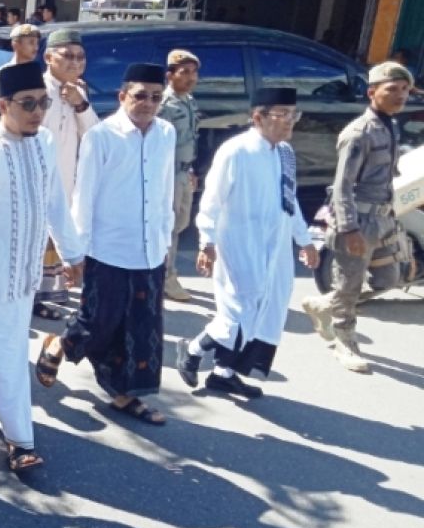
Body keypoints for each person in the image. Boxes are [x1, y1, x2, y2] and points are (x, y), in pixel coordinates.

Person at [0, 62, 84, 471]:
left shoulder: (43, 142)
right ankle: (19, 439)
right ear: (4, 104)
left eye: (43, 103)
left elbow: (55, 201)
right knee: (7, 351)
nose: (37, 112)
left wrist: (72, 253)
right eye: (28, 104)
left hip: (26, 270)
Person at [35, 63, 175, 425]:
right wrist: (75, 253)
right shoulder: (103, 135)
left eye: (156, 97)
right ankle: (61, 345)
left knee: (143, 328)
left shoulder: (166, 133)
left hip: (149, 248)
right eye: (140, 95)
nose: (148, 103)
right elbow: (85, 195)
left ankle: (128, 395)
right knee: (99, 320)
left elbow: (165, 191)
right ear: (122, 96)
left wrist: (166, 238)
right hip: (107, 248)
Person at [177, 87, 319, 398]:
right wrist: (207, 242)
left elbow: (289, 200)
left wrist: (305, 241)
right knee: (238, 311)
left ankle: (223, 373)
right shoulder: (236, 151)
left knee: (264, 310)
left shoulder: (285, 153)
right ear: (258, 117)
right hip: (239, 244)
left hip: (276, 247)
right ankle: (193, 349)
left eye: (293, 115)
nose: (289, 122)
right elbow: (212, 201)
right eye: (282, 115)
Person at [302, 61, 411, 373]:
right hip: (358, 223)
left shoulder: (389, 125)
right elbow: (342, 186)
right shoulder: (358, 133)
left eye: (404, 90)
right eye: (393, 89)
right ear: (372, 92)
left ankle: (324, 304)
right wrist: (349, 229)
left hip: (383, 219)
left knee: (390, 278)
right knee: (350, 284)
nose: (400, 96)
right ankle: (344, 341)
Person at [33, 28, 98, 318]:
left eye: (80, 57)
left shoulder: (79, 91)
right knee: (34, 239)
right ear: (48, 57)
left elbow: (95, 136)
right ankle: (30, 297)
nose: (75, 62)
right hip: (36, 179)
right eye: (68, 56)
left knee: (56, 237)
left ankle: (49, 297)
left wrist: (80, 103)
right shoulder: (36, 89)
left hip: (66, 178)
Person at [159, 50, 203, 302]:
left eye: (193, 72)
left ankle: (167, 272)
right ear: (170, 75)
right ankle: (167, 277)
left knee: (180, 224)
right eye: (184, 72)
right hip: (169, 173)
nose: (190, 78)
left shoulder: (188, 100)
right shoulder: (166, 105)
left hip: (183, 171)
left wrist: (190, 170)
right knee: (169, 227)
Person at [0, 23, 41, 127]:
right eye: (31, 43)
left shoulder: (35, 75)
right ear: (16, 45)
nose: (36, 48)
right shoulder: (4, 75)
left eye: (37, 43)